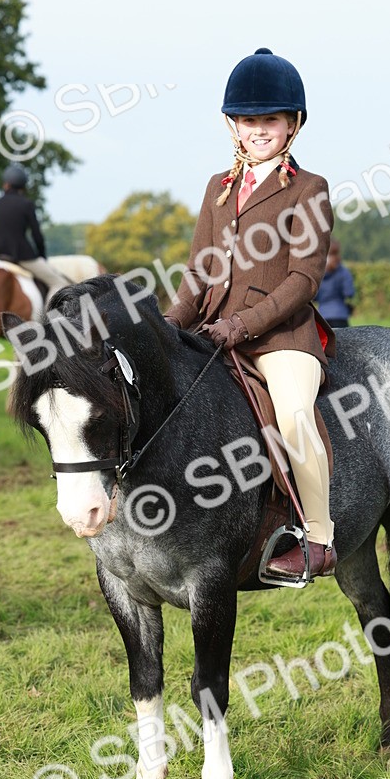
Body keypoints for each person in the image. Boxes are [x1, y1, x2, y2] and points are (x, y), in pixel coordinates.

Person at [164, 48, 336, 581]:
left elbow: (303, 282)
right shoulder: (218, 189)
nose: (258, 130)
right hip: (210, 331)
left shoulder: (309, 190)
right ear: (232, 126)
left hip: (281, 339)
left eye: (270, 120)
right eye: (248, 121)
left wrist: (242, 325)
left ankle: (319, 539)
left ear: (293, 125)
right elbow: (197, 273)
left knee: (294, 416)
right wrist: (168, 327)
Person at [0, 165, 71, 300]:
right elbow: (37, 235)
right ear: (22, 186)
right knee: (59, 283)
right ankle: (48, 319)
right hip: (22, 255)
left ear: (6, 184)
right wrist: (41, 256)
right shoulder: (26, 204)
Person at [315, 239, 355, 328]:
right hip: (340, 315)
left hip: (322, 317)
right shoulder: (343, 271)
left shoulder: (317, 273)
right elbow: (349, 293)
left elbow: (314, 297)